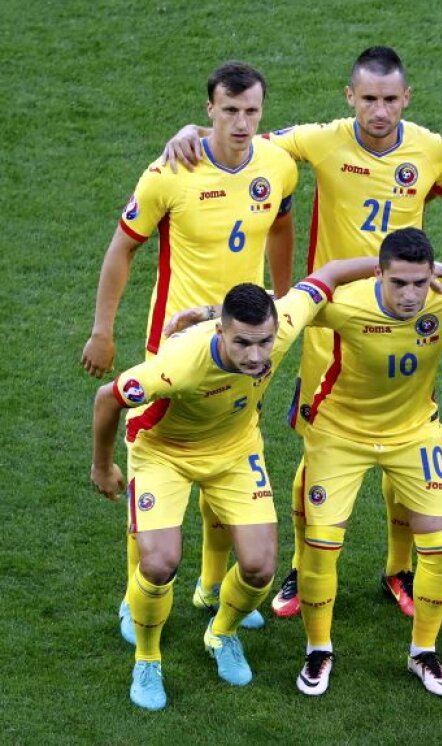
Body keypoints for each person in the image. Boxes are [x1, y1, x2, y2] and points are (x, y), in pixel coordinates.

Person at [161, 46, 442, 620]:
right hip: (329, 320)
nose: (379, 112)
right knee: (320, 441)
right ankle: (305, 567)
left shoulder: (431, 150)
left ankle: (398, 569)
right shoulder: (321, 139)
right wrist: (194, 127)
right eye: (368, 99)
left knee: (405, 433)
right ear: (349, 96)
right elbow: (242, 137)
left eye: (390, 100)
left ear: (407, 98)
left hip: (402, 316)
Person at [89, 257, 375, 710]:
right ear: (221, 333)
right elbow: (108, 399)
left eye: (264, 342)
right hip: (165, 453)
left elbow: (330, 273)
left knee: (261, 567)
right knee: (161, 563)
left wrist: (410, 265)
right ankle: (147, 659)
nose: (257, 356)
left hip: (235, 450)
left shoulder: (281, 325)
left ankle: (220, 634)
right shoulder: (180, 364)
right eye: (243, 343)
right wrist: (102, 467)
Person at [83, 61, 296, 644]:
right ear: (210, 110)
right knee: (157, 455)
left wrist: (278, 298)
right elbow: (122, 249)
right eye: (229, 111)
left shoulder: (276, 164)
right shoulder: (170, 171)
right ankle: (136, 594)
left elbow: (281, 224)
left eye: (252, 110)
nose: (242, 122)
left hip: (244, 338)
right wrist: (103, 331)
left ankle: (209, 586)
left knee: (226, 447)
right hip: (175, 349)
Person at [275, 228, 442, 697]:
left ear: (434, 275)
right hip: (339, 435)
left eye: (420, 283)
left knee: (439, 549)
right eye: (399, 283)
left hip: (414, 434)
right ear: (378, 273)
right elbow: (275, 309)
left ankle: (422, 652)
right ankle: (317, 649)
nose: (410, 295)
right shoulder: (343, 303)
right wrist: (204, 317)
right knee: (321, 549)